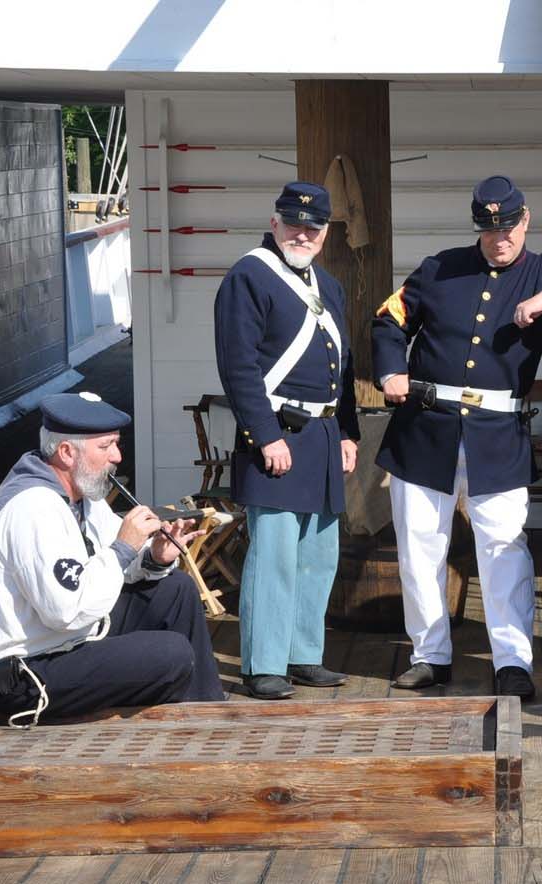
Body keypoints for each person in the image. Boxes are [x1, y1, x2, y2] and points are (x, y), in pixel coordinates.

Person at [373, 175, 542, 700]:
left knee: (504, 550)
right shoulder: (440, 267)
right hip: (425, 429)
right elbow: (390, 319)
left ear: (525, 220)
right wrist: (390, 369)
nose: (499, 238)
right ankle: (429, 655)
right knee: (419, 548)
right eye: (489, 230)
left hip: (498, 435)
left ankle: (512, 662)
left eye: (508, 228)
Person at [0, 392, 224, 726]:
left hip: (59, 643)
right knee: (171, 654)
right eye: (105, 446)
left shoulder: (82, 496)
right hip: (16, 675)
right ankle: (184, 723)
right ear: (67, 453)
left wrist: (154, 557)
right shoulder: (32, 507)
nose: (117, 456)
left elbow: (115, 569)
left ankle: (206, 714)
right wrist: (123, 549)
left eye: (116, 444)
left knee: (176, 589)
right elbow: (65, 611)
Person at [214, 181, 361, 700]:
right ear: (274, 223)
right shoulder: (249, 276)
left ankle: (302, 655)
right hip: (278, 434)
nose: (303, 235)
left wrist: (347, 432)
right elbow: (239, 366)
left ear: (325, 234)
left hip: (322, 436)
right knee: (274, 556)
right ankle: (264, 664)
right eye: (294, 225)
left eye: (313, 228)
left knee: (319, 555)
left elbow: (344, 366)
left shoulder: (328, 285)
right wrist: (265, 436)